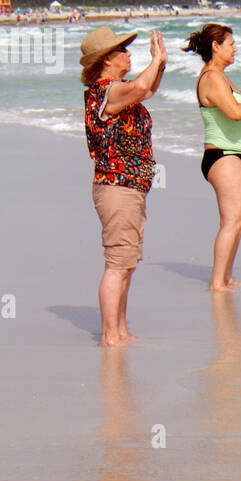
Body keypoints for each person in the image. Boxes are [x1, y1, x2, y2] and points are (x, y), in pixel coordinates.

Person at [80, 26, 167, 347]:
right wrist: (155, 59)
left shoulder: (118, 89)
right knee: (118, 263)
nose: (130, 54)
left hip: (131, 186)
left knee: (127, 262)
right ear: (106, 60)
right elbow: (142, 86)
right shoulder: (106, 92)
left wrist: (161, 62)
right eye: (124, 51)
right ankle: (109, 335)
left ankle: (120, 329)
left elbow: (146, 90)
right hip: (117, 186)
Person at [183, 25, 241, 291]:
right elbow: (236, 112)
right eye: (231, 43)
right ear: (216, 46)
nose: (235, 48)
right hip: (221, 155)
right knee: (231, 220)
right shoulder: (211, 78)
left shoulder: (223, 77)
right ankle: (217, 282)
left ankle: (226, 277)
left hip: (236, 154)